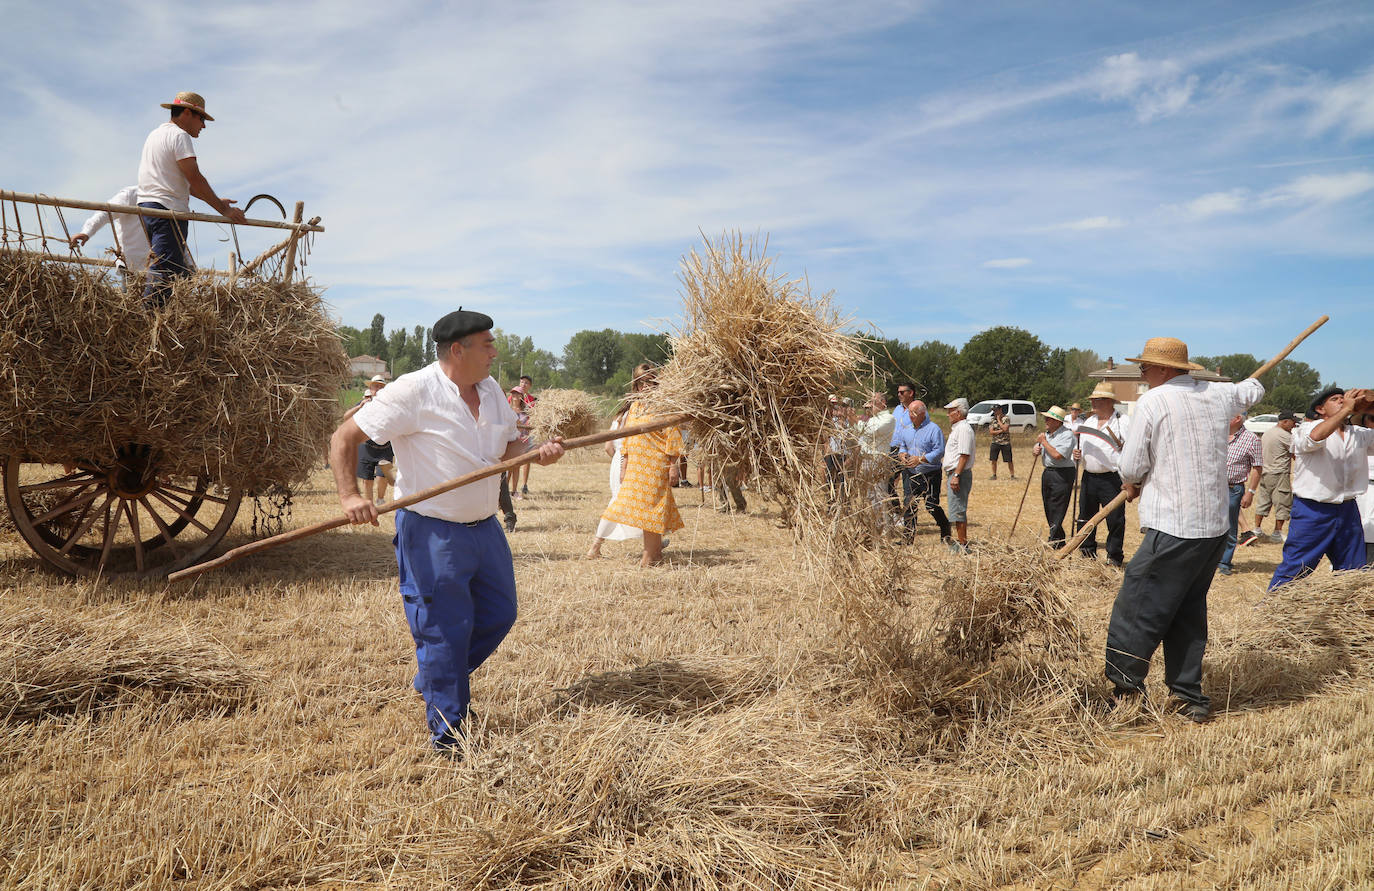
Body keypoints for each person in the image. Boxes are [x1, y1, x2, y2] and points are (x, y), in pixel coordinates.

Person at [331, 309, 565, 752]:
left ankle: (435, 675)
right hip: (431, 531)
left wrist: (536, 452)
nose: (495, 352)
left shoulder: (493, 391)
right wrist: (350, 497)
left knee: (500, 613)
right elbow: (344, 438)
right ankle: (450, 732)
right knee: (444, 629)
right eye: (487, 344)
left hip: (484, 527)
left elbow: (511, 446)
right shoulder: (413, 392)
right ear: (457, 350)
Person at [1104, 336, 1265, 723]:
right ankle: (1188, 696)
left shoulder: (1154, 401)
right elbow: (1254, 388)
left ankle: (1125, 688)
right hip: (1212, 527)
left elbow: (1130, 464)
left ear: (1164, 369)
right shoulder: (1218, 393)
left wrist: (1132, 480)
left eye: (1145, 368)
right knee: (1186, 610)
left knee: (1138, 606)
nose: (1142, 375)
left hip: (1174, 524)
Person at [137, 91, 246, 306]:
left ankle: (163, 317)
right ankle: (148, 319)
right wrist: (224, 211)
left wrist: (217, 200)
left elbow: (178, 180)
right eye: (202, 118)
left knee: (175, 269)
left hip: (148, 207)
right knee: (164, 272)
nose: (203, 126)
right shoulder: (180, 136)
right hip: (168, 211)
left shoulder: (154, 135)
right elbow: (195, 178)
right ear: (187, 113)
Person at [1268, 387, 1374, 590]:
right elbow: (1316, 437)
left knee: (1353, 572)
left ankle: (1347, 617)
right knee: (1296, 568)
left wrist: (1369, 408)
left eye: (1344, 399)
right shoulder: (1307, 428)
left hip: (1348, 509)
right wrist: (1348, 409)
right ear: (1320, 408)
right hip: (1313, 510)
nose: (1343, 402)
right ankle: (1268, 615)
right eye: (1335, 400)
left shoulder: (1358, 434)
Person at [600, 363, 685, 567]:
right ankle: (655, 554)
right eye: (641, 382)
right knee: (645, 511)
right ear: (636, 385)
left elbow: (673, 435)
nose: (645, 386)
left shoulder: (664, 405)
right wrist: (624, 466)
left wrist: (673, 466)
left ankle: (649, 556)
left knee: (652, 511)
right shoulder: (635, 407)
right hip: (637, 466)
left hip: (656, 465)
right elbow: (628, 437)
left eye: (649, 381)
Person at [1072, 383, 1130, 567]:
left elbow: (1131, 450)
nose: (1093, 403)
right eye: (1093, 400)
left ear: (1109, 401)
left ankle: (1114, 556)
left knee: (1115, 519)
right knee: (1086, 517)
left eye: (1097, 399)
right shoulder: (1087, 422)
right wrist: (1076, 455)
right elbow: (1080, 446)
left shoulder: (1122, 422)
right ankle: (1087, 553)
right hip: (1088, 476)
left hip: (1111, 479)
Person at [586, 390, 645, 558]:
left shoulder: (618, 418)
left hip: (618, 459)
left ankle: (653, 542)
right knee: (618, 503)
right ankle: (595, 545)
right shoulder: (636, 415)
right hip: (628, 460)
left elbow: (608, 447)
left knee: (638, 502)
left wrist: (617, 460)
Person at [890, 398, 952, 544]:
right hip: (910, 473)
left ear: (922, 414)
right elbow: (903, 446)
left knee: (931, 505)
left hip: (930, 473)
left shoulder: (933, 429)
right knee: (909, 505)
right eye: (910, 412)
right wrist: (902, 454)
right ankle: (908, 538)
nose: (911, 415)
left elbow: (939, 451)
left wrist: (921, 459)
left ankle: (945, 530)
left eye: (914, 413)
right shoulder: (907, 430)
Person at [1216, 413, 1263, 575]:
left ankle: (1224, 562)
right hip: (1211, 488)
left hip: (1233, 489)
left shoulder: (1252, 439)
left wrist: (1250, 492)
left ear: (1236, 418)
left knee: (1229, 526)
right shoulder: (1215, 434)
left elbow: (1257, 467)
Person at [68, 185, 151, 273]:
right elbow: (105, 213)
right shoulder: (132, 194)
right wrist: (87, 232)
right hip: (130, 264)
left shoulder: (166, 198)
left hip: (158, 264)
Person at [342, 376, 395, 506]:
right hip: (366, 446)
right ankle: (369, 504)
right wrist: (359, 407)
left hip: (385, 446)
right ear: (370, 389)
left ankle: (380, 500)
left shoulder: (390, 405)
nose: (377, 389)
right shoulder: (363, 404)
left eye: (381, 386)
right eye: (375, 386)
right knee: (367, 479)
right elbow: (346, 417)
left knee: (382, 476)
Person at [1033, 406, 1077, 548]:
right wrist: (1036, 449)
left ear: (1058, 421)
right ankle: (1058, 538)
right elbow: (1038, 449)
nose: (1045, 421)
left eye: (1049, 419)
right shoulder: (1047, 434)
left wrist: (1044, 442)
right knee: (1049, 506)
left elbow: (1058, 455)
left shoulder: (1067, 435)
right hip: (1048, 472)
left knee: (1057, 507)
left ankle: (1054, 539)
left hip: (1062, 474)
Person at [852, 392, 896, 529]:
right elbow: (859, 432)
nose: (870, 406)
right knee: (870, 494)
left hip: (879, 459)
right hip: (867, 459)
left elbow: (872, 431)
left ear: (882, 403)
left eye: (873, 402)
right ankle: (876, 524)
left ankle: (886, 526)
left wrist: (855, 420)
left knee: (880, 493)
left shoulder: (889, 418)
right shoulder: (871, 418)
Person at [1254, 410, 1298, 543]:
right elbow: (1297, 452)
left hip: (1265, 472)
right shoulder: (1285, 436)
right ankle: (1277, 533)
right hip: (1279, 473)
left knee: (1263, 501)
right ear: (1285, 421)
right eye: (1292, 422)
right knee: (1283, 503)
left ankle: (1257, 529)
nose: (1294, 425)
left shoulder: (1268, 432)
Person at [942, 397, 975, 553]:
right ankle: (962, 543)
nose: (948, 414)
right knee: (956, 509)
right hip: (955, 473)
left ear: (959, 412)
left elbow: (964, 455)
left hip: (959, 474)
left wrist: (956, 475)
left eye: (951, 411)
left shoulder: (963, 429)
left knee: (958, 509)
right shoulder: (958, 428)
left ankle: (963, 545)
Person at [507, 386, 532, 500]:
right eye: (513, 394)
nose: (515, 396)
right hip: (510, 441)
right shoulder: (507, 409)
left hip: (522, 441)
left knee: (517, 466)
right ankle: (504, 491)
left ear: (522, 396)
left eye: (517, 394)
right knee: (507, 469)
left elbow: (530, 425)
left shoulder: (527, 411)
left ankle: (514, 491)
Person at [988, 405, 1015, 480]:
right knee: (993, 459)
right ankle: (994, 475)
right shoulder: (992, 420)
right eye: (994, 410)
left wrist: (999, 420)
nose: (995, 412)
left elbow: (1005, 428)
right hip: (995, 442)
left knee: (1009, 460)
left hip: (1005, 442)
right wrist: (1001, 431)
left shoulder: (1006, 418)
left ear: (1000, 410)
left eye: (996, 410)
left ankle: (1012, 475)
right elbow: (991, 432)